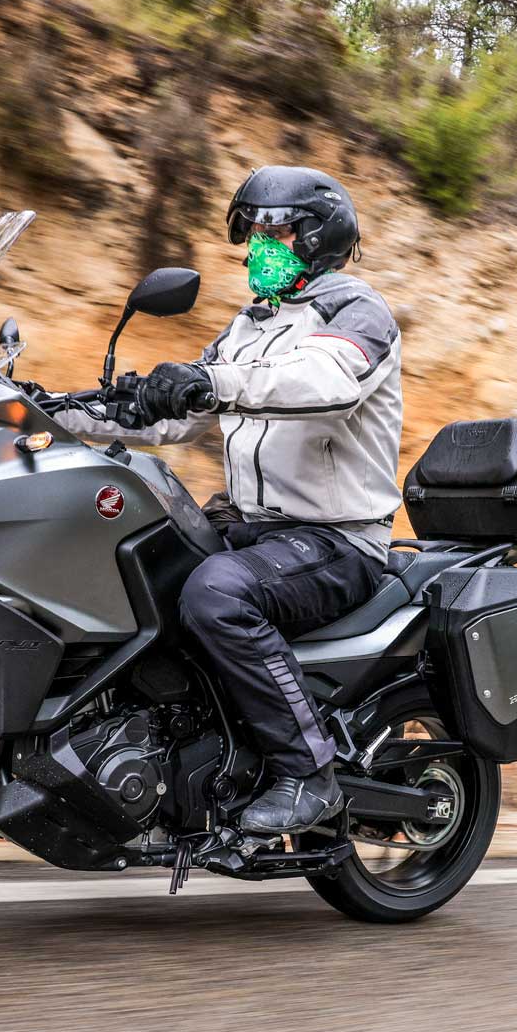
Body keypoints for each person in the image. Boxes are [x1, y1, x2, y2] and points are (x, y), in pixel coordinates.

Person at [59, 165, 403, 836]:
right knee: (127, 561)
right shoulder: (251, 326)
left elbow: (321, 381)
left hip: (337, 540)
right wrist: (53, 410)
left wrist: (210, 380)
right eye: (253, 234)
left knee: (216, 595)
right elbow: (178, 420)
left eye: (275, 232)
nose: (258, 248)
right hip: (252, 527)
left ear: (318, 236)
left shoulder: (356, 311)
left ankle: (309, 774)